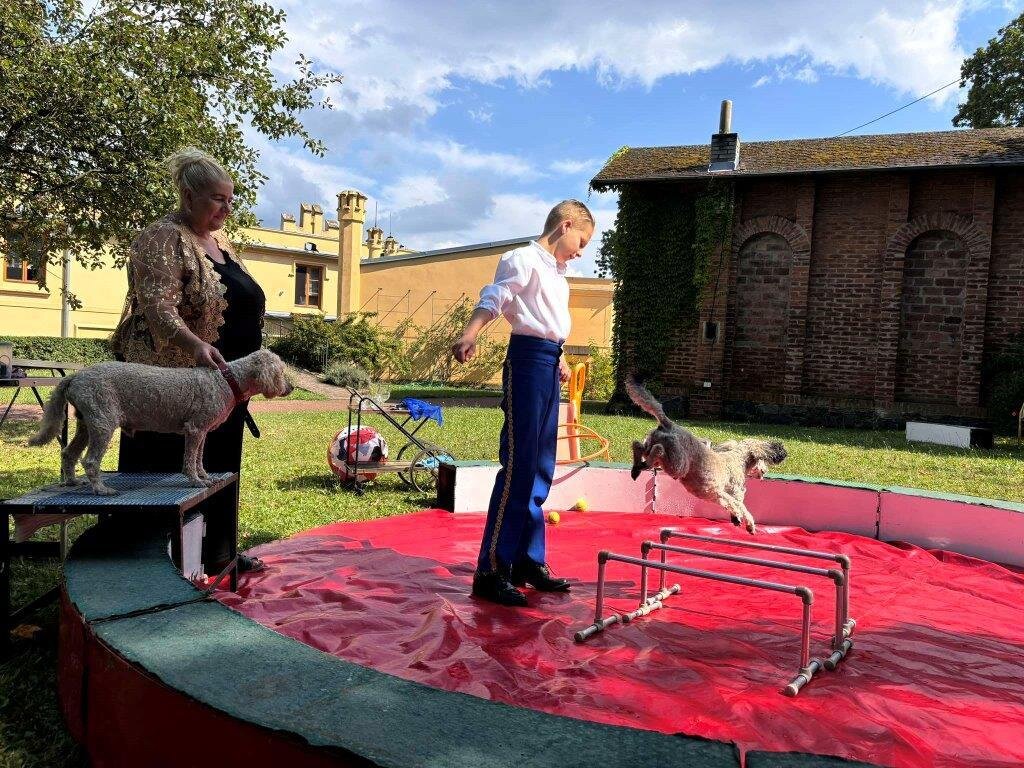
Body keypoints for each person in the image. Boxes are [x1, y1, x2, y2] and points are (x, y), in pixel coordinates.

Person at [110, 147, 267, 571]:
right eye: (218, 199)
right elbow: (157, 307)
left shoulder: (221, 243)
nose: (227, 208)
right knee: (166, 469)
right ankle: (152, 564)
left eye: (231, 200)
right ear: (188, 195)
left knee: (219, 461)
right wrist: (195, 345)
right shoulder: (162, 237)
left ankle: (218, 555)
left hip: (227, 383)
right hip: (173, 384)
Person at [451, 200, 594, 606]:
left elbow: (548, 323)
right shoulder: (522, 259)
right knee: (519, 464)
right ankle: (491, 570)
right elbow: (495, 298)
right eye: (581, 241)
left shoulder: (558, 275)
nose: (580, 252)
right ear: (566, 225)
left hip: (548, 363)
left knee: (541, 466)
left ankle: (528, 560)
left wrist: (559, 357)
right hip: (527, 363)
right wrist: (470, 333)